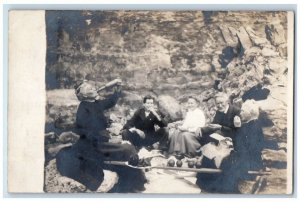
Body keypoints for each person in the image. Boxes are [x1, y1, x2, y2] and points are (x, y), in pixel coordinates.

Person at [56, 79, 146, 192]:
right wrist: (110, 139)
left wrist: (117, 89)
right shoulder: (83, 109)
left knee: (128, 145)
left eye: (93, 87)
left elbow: (111, 102)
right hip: (91, 144)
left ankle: (135, 182)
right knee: (126, 149)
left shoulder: (95, 103)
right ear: (83, 95)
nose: (93, 88)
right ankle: (132, 185)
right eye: (89, 88)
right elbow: (87, 133)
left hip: (100, 139)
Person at [196, 99, 265, 193]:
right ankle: (207, 184)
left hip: (249, 160)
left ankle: (211, 186)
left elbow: (249, 147)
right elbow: (241, 142)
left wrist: (231, 150)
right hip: (244, 156)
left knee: (218, 158)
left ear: (250, 112)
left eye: (243, 111)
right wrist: (230, 141)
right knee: (212, 154)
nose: (241, 113)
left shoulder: (254, 126)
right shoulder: (250, 124)